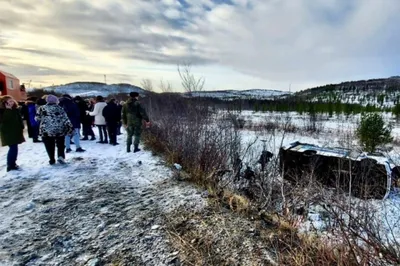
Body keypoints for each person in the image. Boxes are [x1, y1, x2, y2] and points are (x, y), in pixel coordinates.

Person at [36, 95, 74, 165]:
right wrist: (70, 127)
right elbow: (65, 119)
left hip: (46, 130)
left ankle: (52, 159)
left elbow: (37, 118)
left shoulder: (41, 108)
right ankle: (61, 156)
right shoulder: (60, 108)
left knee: (49, 145)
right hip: (59, 129)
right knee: (60, 144)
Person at [0, 96, 25, 172]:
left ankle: (12, 163)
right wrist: (8, 110)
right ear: (5, 103)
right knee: (13, 148)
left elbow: (19, 119)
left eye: (12, 101)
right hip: (8, 133)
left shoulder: (15, 109)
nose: (12, 102)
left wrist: (22, 126)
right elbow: (4, 120)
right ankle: (10, 165)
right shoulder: (2, 111)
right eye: (9, 101)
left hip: (15, 132)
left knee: (14, 147)